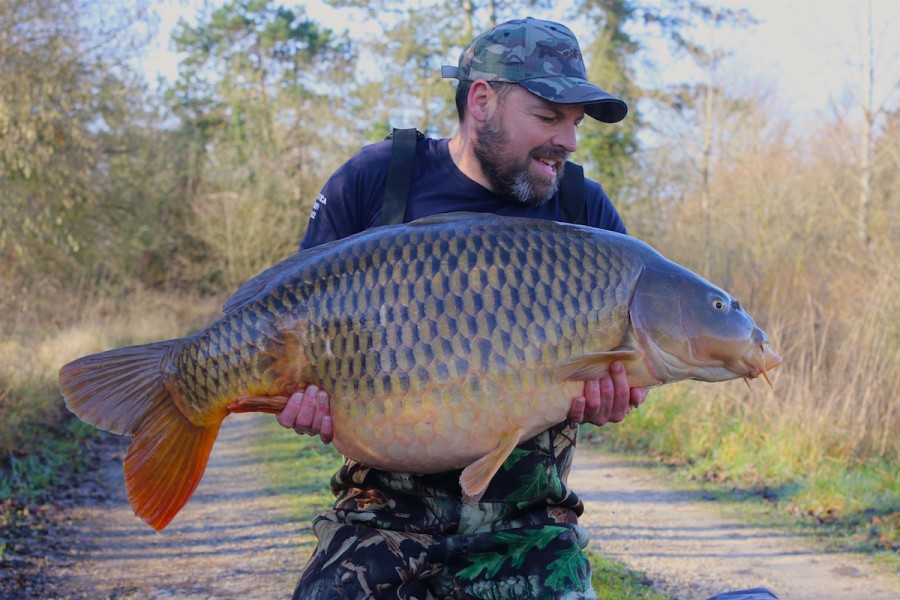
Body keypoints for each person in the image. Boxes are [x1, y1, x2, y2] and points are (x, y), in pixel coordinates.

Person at [279, 17, 649, 600]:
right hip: (381, 517)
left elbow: (632, 366)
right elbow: (290, 324)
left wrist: (617, 398)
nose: (569, 141)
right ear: (482, 101)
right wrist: (301, 401)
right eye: (548, 117)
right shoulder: (377, 181)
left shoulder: (585, 211)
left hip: (530, 527)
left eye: (575, 124)